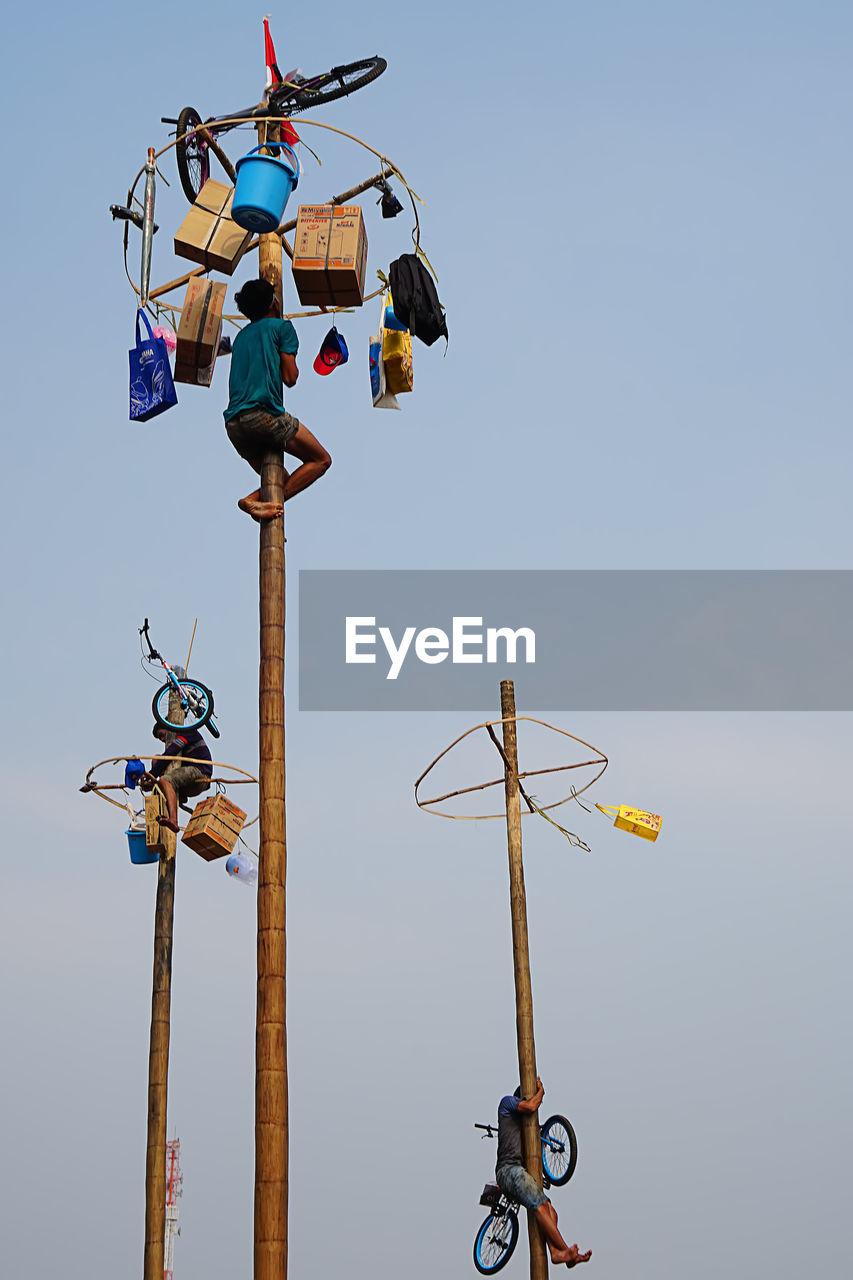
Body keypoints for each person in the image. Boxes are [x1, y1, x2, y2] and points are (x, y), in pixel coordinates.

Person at [224, 277, 331, 523]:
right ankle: (254, 499)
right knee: (321, 460)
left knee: (281, 479)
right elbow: (290, 377)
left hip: (235, 426)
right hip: (263, 416)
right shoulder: (282, 328)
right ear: (273, 302)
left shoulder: (241, 337)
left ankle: (261, 505)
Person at [495, 1078, 591, 1269]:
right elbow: (530, 1106)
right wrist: (540, 1092)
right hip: (508, 1170)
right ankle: (567, 1252)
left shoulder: (525, 1126)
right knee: (539, 1207)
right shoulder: (507, 1103)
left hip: (519, 1172)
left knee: (549, 1209)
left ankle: (556, 1253)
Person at [141, 723, 213, 834]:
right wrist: (151, 782)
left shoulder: (186, 731)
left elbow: (171, 753)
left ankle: (173, 820)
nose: (162, 739)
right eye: (160, 738)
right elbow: (163, 760)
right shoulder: (180, 741)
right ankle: (176, 796)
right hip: (188, 778)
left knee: (165, 780)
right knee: (156, 760)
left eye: (162, 734)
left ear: (168, 728)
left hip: (200, 772)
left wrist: (151, 775)